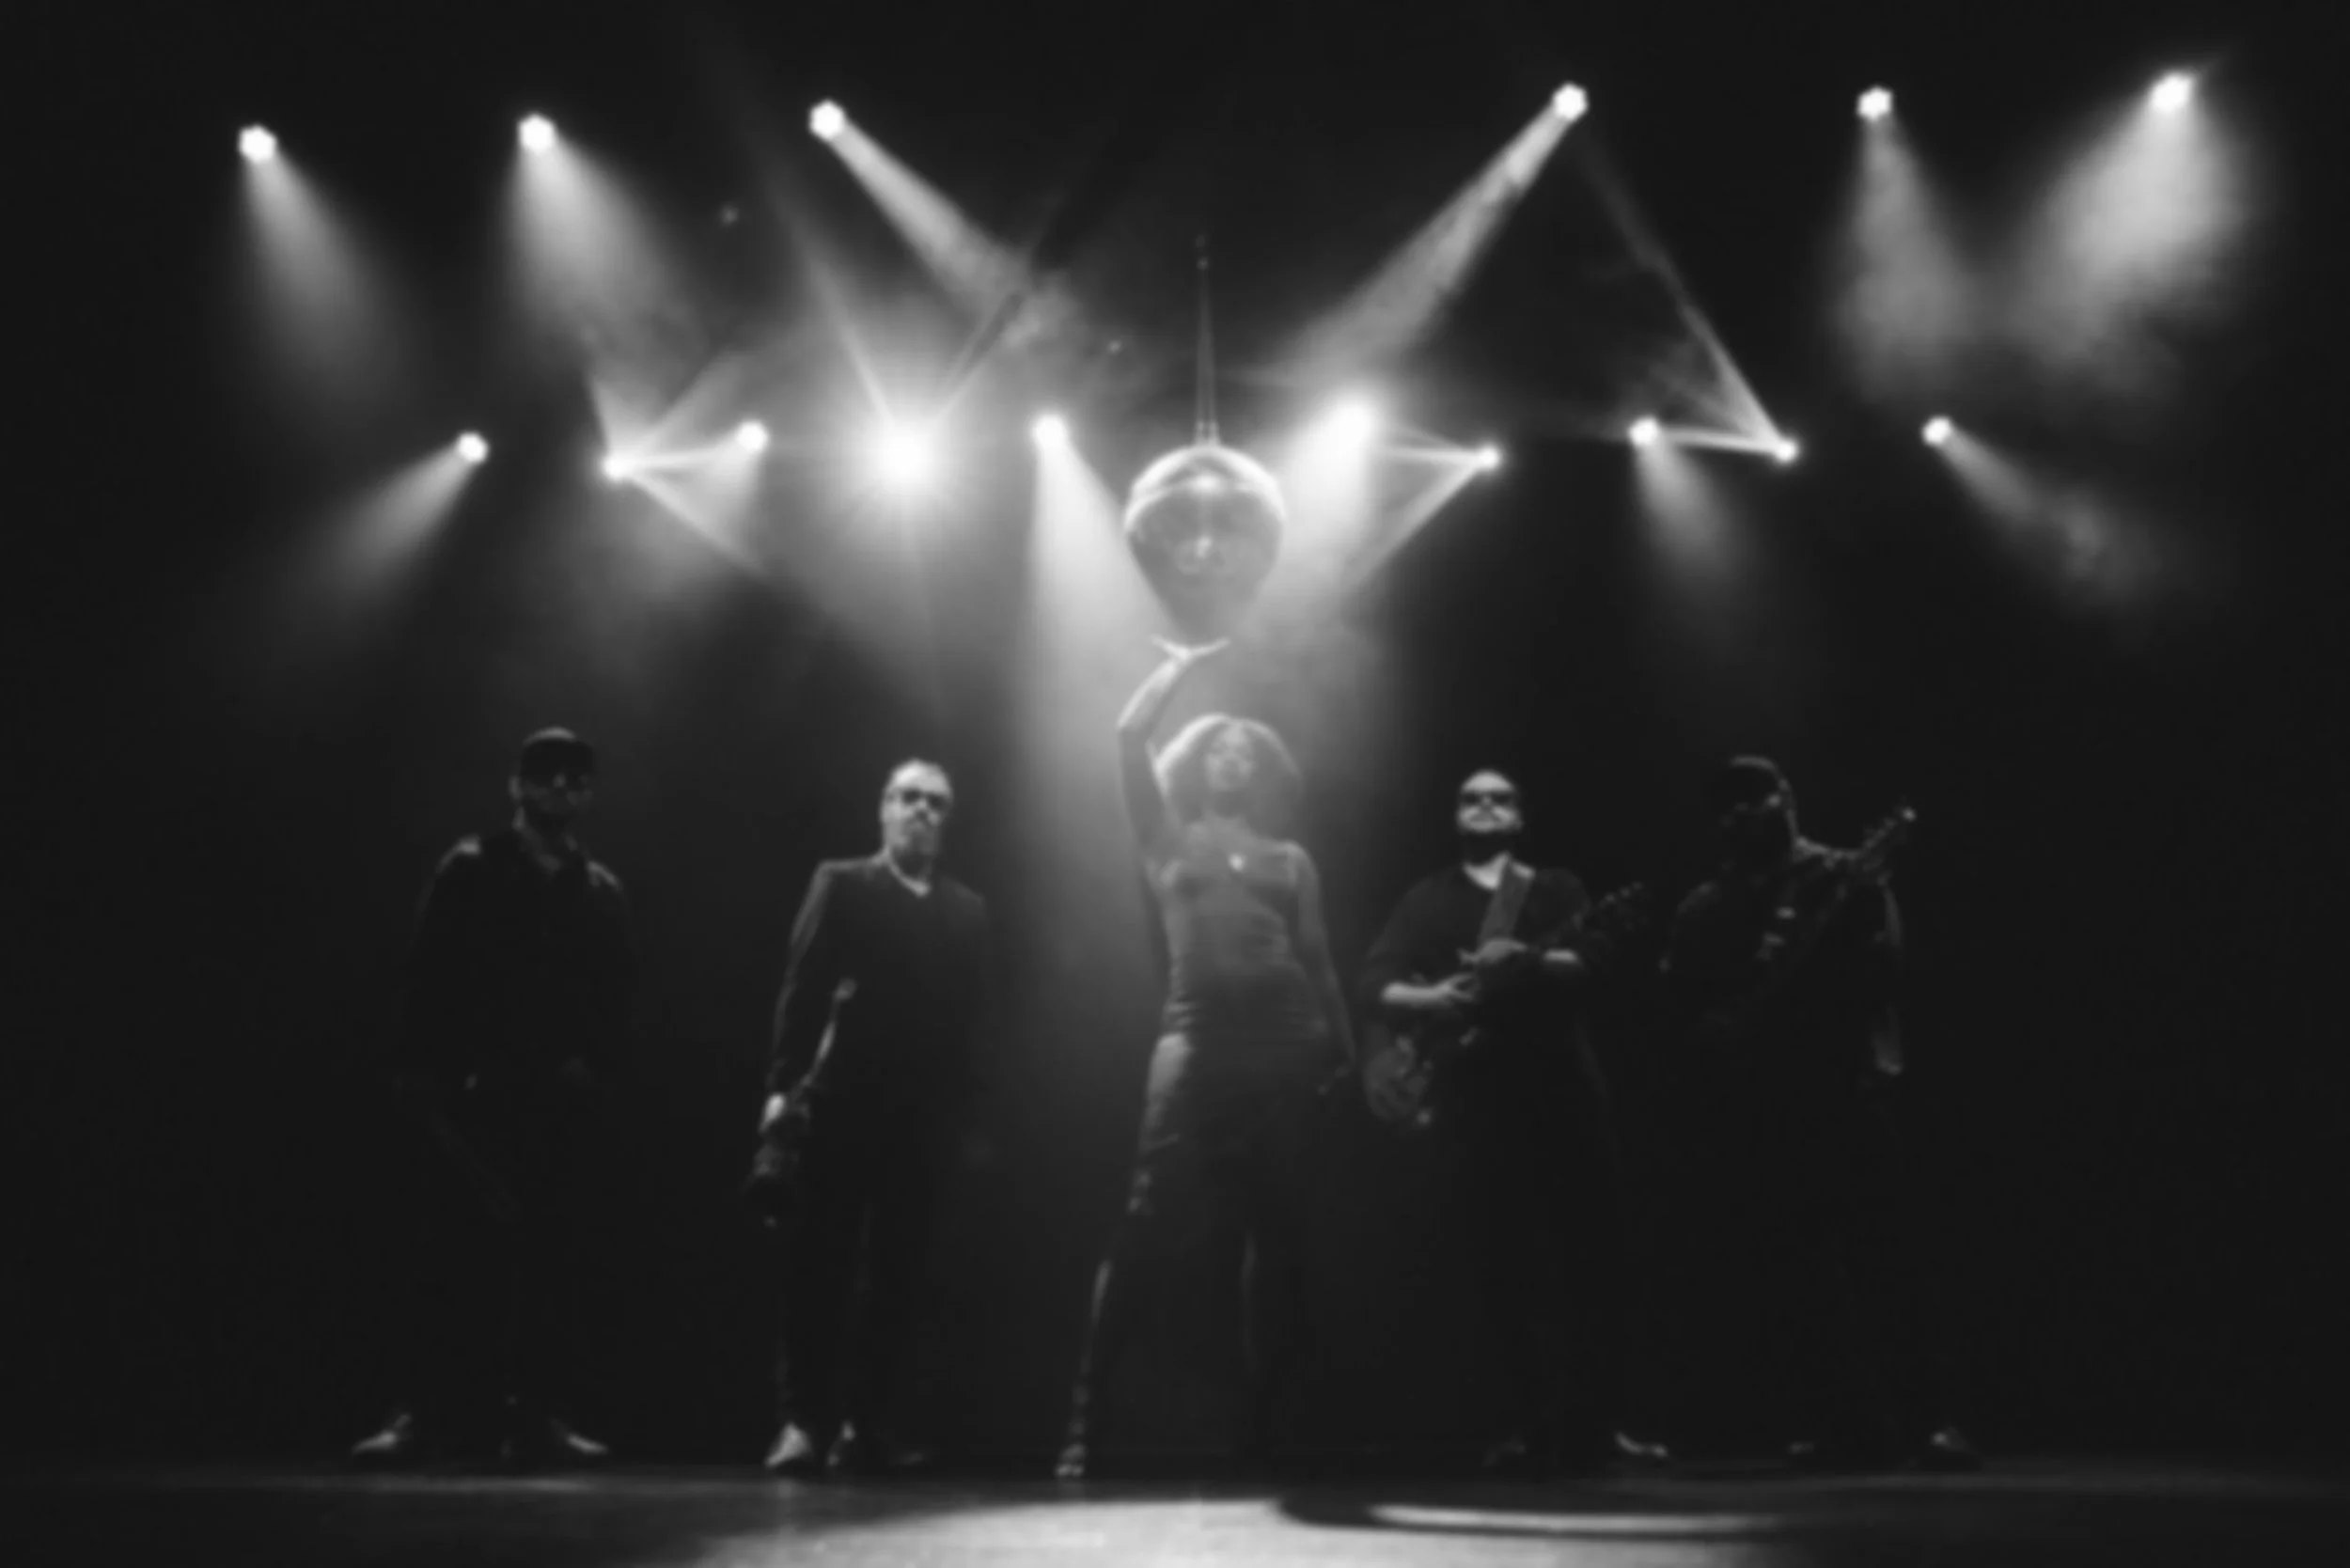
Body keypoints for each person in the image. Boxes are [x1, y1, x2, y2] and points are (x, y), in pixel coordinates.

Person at [1055, 639, 1357, 1480]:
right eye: (1218, 746)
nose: (1231, 756)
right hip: (1194, 1043)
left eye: (1245, 750)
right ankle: (1085, 1421)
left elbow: (1322, 964)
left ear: (1261, 771)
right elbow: (1126, 736)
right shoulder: (1164, 836)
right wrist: (1178, 667)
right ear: (1197, 762)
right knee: (1147, 1222)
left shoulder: (1290, 859)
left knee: (1279, 1237)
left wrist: (1350, 1057)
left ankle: (1263, 1434)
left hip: (1289, 1051)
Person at [1663, 755, 1980, 1472]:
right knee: (1798, 1278)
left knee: (1885, 1260)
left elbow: (1886, 972)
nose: (1737, 815)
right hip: (1761, 1110)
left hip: (1844, 1092)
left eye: (1752, 798)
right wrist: (1713, 1030)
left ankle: (1934, 1419)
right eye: (1724, 806)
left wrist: (1814, 985)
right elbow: (1680, 1007)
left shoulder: (1845, 876)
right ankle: (1849, 1425)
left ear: (1787, 800)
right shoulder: (1706, 905)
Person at [1358, 768, 1670, 1474]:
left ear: (1520, 817)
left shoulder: (1555, 887)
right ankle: (1525, 1426)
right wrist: (1437, 997)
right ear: (1455, 816)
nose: (1486, 805)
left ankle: (1599, 1426)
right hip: (1479, 1091)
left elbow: (1591, 964)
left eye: (1500, 797)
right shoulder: (1427, 898)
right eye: (1471, 797)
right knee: (1503, 1262)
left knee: (1595, 1252)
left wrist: (1526, 962)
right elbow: (1375, 982)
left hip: (1561, 1080)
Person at [352, 727, 632, 1466]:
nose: (564, 789)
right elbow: (427, 974)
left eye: (577, 778)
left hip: (556, 1104)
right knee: (449, 1257)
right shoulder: (471, 867)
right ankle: (425, 1414)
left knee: (550, 1261)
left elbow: (613, 1000)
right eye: (548, 776)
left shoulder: (598, 888)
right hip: (473, 1096)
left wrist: (591, 1069)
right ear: (518, 784)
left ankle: (537, 1416)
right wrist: (421, 1075)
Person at [758, 760, 993, 1477]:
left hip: (920, 1117)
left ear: (948, 821)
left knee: (898, 1274)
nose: (921, 810)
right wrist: (779, 1091)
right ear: (883, 810)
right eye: (908, 798)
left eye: (936, 803)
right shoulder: (843, 883)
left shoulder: (968, 911)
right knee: (817, 1266)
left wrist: (970, 1118)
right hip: (840, 1102)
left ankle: (867, 1424)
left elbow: (973, 1024)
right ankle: (802, 1422)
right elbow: (802, 989)